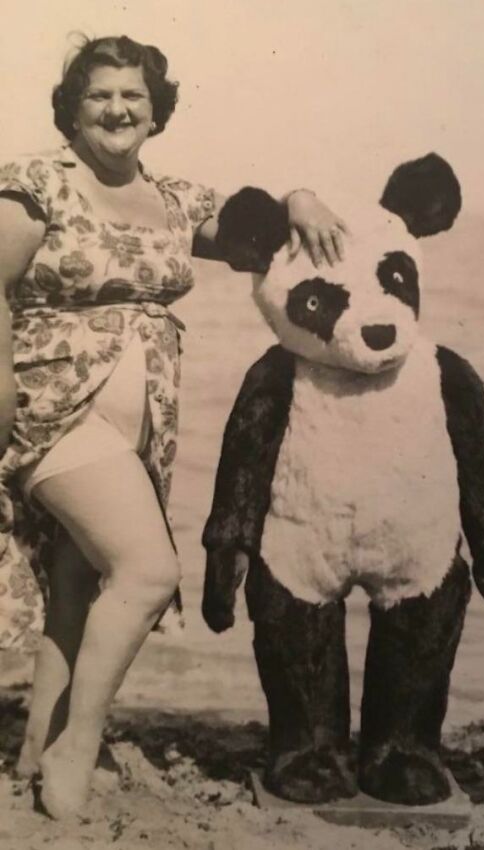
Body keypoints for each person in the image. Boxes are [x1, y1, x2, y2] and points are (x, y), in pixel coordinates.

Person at [0, 34, 347, 820]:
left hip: (138, 421)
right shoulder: (33, 186)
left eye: (134, 97)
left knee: (77, 585)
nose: (118, 109)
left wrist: (296, 197)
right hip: (51, 410)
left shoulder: (175, 200)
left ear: (156, 114)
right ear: (71, 110)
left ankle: (34, 747)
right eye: (100, 96)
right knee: (148, 573)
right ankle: (76, 744)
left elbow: (255, 236)